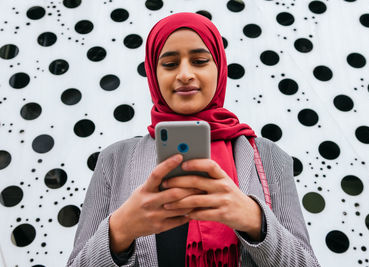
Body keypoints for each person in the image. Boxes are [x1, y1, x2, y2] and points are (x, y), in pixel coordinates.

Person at [67, 12, 320, 267]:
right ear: (153, 74)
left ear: (219, 69)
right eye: (169, 64)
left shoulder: (268, 157)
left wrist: (256, 221)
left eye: (199, 61)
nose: (185, 74)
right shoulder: (115, 159)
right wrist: (119, 231)